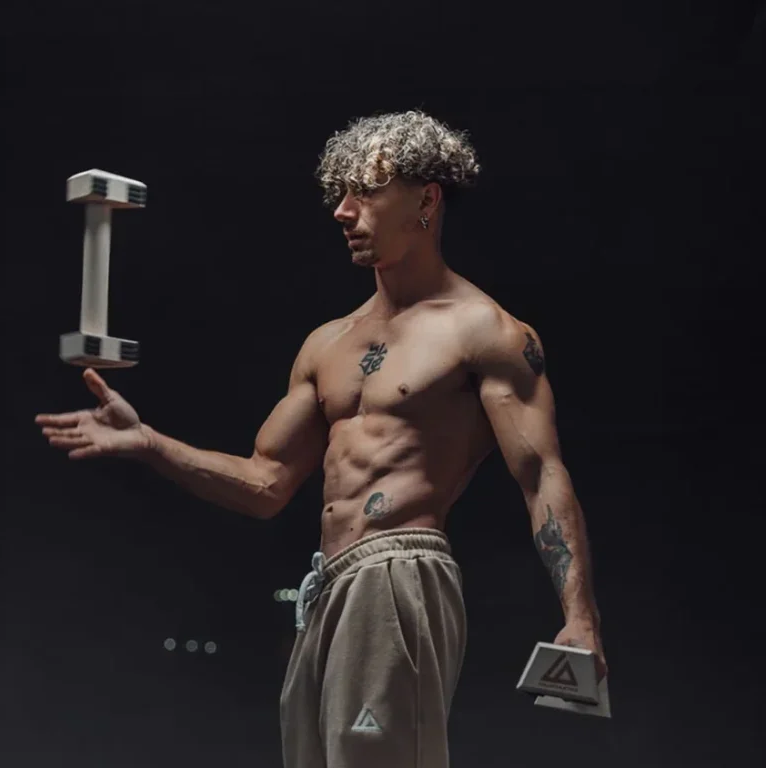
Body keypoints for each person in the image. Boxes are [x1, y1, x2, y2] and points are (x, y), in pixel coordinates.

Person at [36, 110, 606, 768]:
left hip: (401, 568)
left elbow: (541, 476)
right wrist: (148, 442)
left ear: (425, 200)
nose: (342, 211)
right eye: (339, 193)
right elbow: (266, 484)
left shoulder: (484, 331)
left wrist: (581, 617)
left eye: (365, 191)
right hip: (329, 584)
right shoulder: (327, 344)